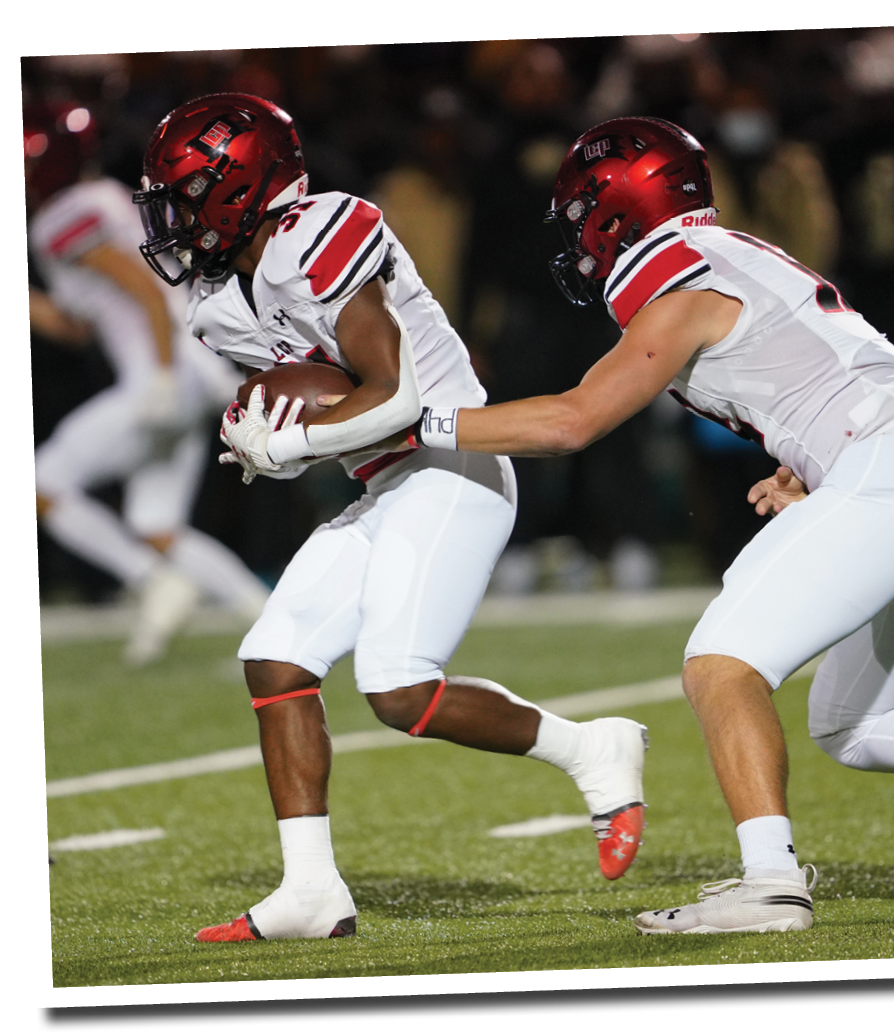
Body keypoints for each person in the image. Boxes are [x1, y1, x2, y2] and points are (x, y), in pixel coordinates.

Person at [371, 116, 894, 933]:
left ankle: (771, 883)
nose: (575, 242)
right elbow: (841, 369)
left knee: (721, 664)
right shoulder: (731, 255)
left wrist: (412, 425)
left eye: (581, 218)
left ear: (615, 212)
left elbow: (573, 421)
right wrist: (819, 465)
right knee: (852, 719)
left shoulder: (676, 276)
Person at [133, 93, 648, 941]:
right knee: (275, 655)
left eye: (186, 198)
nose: (176, 222)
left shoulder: (318, 230)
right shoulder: (222, 299)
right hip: (387, 484)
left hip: (455, 467)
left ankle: (591, 747)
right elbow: (310, 396)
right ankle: (311, 889)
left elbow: (394, 392)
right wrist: (264, 425)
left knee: (399, 687)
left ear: (239, 187)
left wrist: (290, 444)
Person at [25, 100, 270, 666]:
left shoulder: (63, 216)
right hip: (185, 371)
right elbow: (77, 327)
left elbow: (143, 290)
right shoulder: (102, 199)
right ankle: (267, 618)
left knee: (41, 485)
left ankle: (149, 579)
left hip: (162, 374)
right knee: (155, 523)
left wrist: (159, 375)